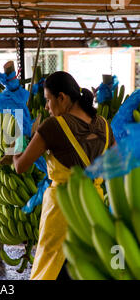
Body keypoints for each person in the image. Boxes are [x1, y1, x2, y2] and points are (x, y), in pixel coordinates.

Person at [11, 71, 116, 280]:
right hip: (93, 213)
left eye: (49, 100)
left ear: (62, 98)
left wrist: (15, 149)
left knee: (53, 271)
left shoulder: (53, 126)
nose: (47, 107)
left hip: (61, 215)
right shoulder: (104, 125)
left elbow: (20, 166)